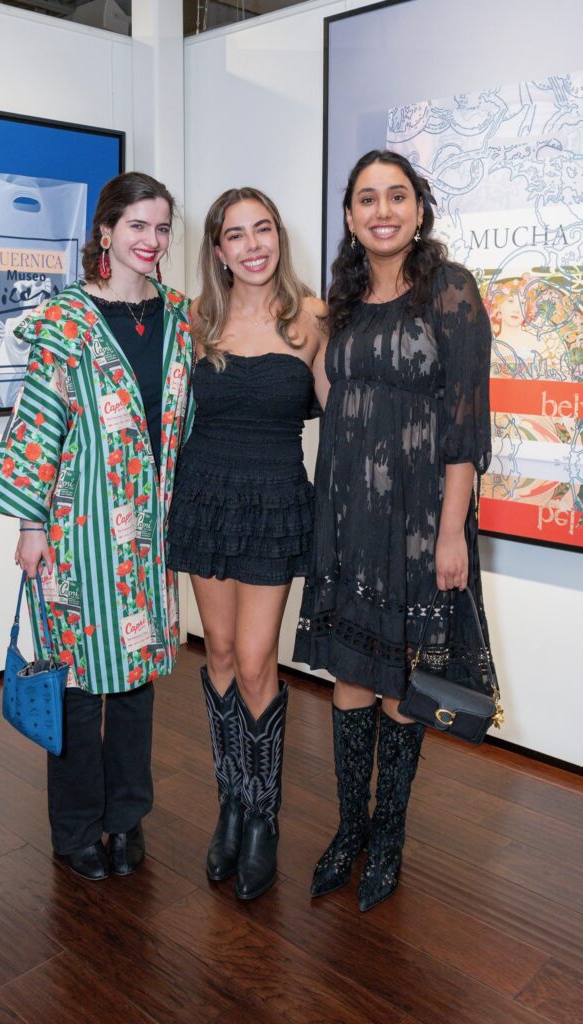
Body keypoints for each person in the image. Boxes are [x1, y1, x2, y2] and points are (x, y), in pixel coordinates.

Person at [295, 150, 492, 912]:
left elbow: (466, 423)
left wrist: (451, 533)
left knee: (403, 690)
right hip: (346, 518)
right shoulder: (337, 306)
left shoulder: (450, 292)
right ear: (349, 216)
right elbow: (330, 394)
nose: (383, 210)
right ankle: (350, 829)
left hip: (418, 526)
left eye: (397, 196)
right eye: (367, 199)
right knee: (349, 677)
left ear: (418, 209)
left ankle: (389, 838)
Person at [0, 172, 192, 881]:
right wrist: (30, 522)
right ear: (105, 231)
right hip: (80, 528)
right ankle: (75, 830)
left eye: (161, 228)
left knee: (135, 684)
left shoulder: (179, 317)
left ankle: (127, 819)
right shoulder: (66, 319)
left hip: (151, 531)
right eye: (137, 226)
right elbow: (37, 423)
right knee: (76, 685)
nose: (151, 241)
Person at [167, 187, 325, 900]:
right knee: (221, 653)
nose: (253, 244)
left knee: (260, 659)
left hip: (273, 500)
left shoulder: (314, 316)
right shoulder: (196, 319)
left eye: (264, 230)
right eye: (237, 235)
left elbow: (346, 414)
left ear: (278, 239)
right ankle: (229, 802)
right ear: (219, 249)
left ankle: (264, 816)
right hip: (204, 497)